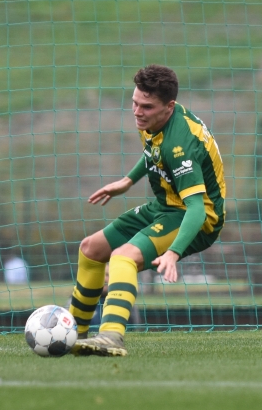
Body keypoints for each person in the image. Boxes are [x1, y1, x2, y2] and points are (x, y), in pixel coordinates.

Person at [69, 65, 225, 356]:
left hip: (196, 219)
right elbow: (153, 150)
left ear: (169, 106)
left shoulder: (181, 144)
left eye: (146, 107)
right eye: (135, 103)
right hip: (165, 206)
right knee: (90, 249)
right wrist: (128, 180)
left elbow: (196, 209)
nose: (137, 112)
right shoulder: (153, 120)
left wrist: (174, 252)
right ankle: (72, 334)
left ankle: (111, 336)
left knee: (122, 257)